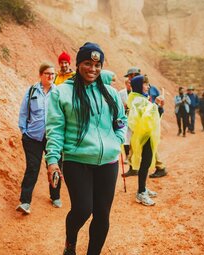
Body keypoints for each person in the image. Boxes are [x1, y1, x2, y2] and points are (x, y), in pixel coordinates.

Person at [45, 42, 127, 255]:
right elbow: (54, 129)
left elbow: (121, 120)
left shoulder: (110, 92)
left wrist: (116, 140)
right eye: (87, 63)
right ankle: (70, 243)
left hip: (107, 163)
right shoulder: (61, 93)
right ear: (78, 64)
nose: (93, 69)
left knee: (102, 215)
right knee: (82, 210)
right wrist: (53, 161)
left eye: (97, 64)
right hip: (77, 160)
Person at [16, 62, 61, 214]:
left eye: (53, 74)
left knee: (55, 166)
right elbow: (23, 112)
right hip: (33, 137)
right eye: (47, 73)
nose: (51, 76)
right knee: (32, 168)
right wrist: (24, 131)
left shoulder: (58, 93)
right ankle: (25, 201)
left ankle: (55, 196)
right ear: (41, 75)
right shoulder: (31, 91)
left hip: (52, 138)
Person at [127, 75, 159, 206]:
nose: (148, 86)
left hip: (146, 135)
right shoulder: (139, 101)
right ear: (139, 86)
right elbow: (142, 119)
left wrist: (157, 108)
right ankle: (141, 192)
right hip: (144, 136)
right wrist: (156, 107)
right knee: (145, 163)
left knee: (146, 163)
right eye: (146, 84)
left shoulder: (140, 99)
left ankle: (143, 188)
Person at [118, 79, 132, 165]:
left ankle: (132, 156)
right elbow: (118, 105)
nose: (129, 85)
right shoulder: (121, 93)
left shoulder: (135, 93)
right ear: (125, 84)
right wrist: (124, 107)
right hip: (125, 117)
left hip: (134, 118)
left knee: (133, 138)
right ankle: (127, 156)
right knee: (126, 137)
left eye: (131, 83)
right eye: (128, 83)